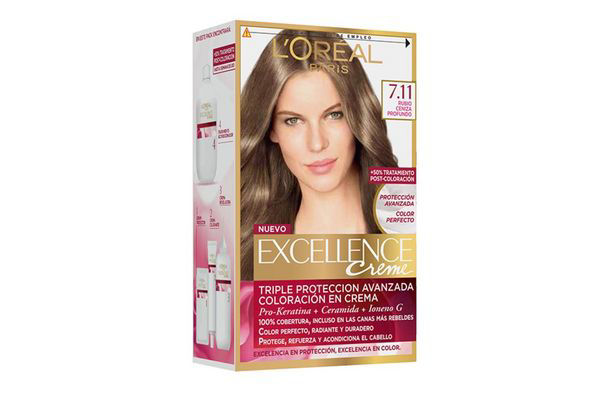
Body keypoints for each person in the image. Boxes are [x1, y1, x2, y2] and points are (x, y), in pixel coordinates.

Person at [240, 29, 397, 280]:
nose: (317, 143)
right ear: (271, 129)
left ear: (358, 116)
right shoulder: (252, 257)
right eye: (293, 121)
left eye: (334, 115)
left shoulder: (409, 231)